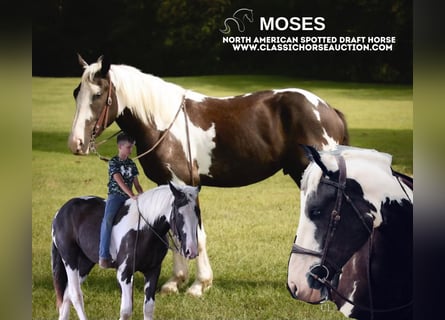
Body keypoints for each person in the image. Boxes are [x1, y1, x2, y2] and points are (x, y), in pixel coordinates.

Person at [99, 132, 143, 268]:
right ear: (120, 147)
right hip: (116, 197)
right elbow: (119, 181)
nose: (131, 150)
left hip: (129, 197)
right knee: (107, 220)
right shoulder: (113, 162)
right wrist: (131, 195)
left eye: (131, 147)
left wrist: (142, 195)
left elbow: (137, 183)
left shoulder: (132, 164)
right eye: (128, 147)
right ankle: (103, 255)